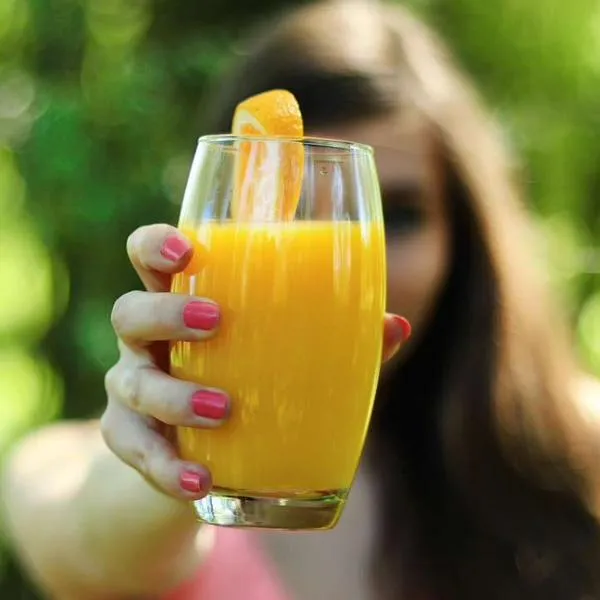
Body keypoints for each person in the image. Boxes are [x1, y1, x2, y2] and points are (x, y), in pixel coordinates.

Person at [2, 1, 600, 599]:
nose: (351, 258)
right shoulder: (68, 465)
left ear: (462, 239)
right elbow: (86, 554)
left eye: (402, 214)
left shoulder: (581, 452)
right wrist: (170, 466)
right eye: (292, 208)